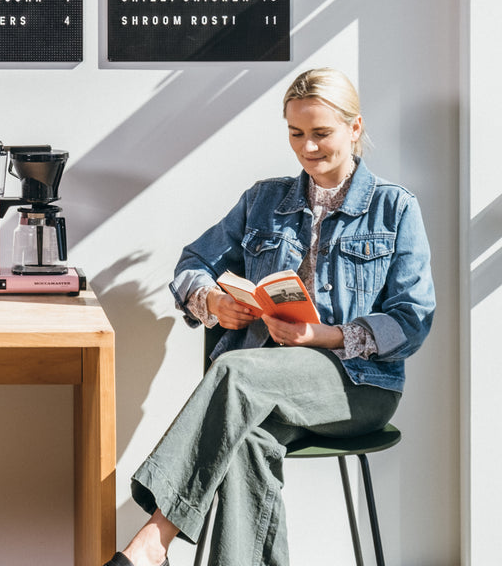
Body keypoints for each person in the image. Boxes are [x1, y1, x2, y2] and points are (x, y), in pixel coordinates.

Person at [102, 67, 435, 566]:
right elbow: (193, 264)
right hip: (265, 383)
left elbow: (412, 320)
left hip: (357, 386)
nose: (309, 148)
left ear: (355, 128)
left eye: (321, 133)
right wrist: (214, 301)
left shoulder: (394, 209)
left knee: (234, 372)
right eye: (296, 134)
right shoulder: (264, 201)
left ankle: (152, 542)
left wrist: (323, 334)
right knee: (245, 443)